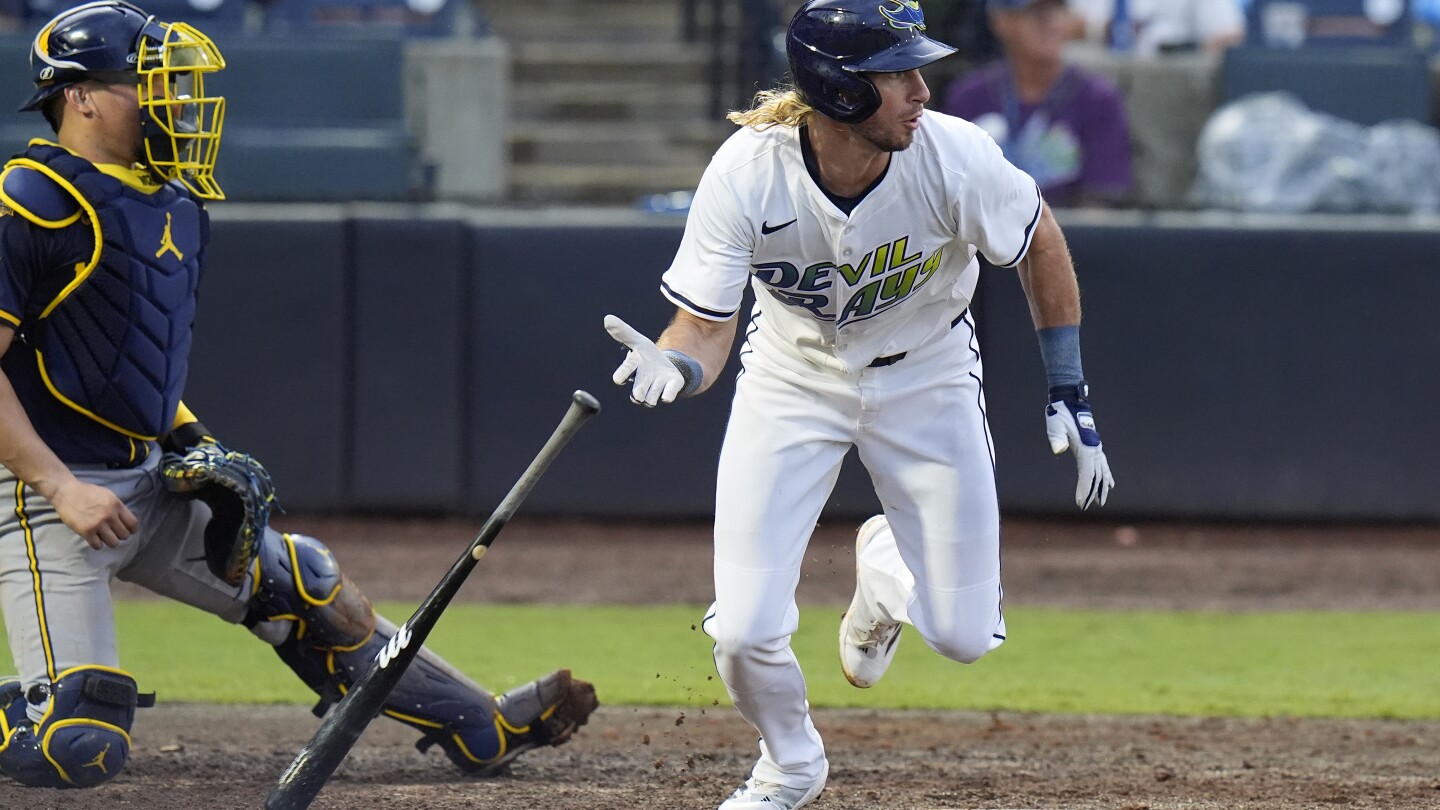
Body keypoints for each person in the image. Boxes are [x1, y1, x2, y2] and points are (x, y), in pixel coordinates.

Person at [0, 0, 595, 789]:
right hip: (40, 495)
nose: (175, 100)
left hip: (140, 481)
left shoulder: (171, 202)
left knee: (307, 586)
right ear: (80, 96)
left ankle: (480, 727)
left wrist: (192, 440)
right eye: (152, 83)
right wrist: (61, 486)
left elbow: (124, 369)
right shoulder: (30, 198)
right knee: (79, 748)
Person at [603, 1, 1115, 807]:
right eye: (896, 74)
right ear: (840, 93)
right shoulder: (746, 171)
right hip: (791, 375)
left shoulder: (953, 154)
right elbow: (701, 330)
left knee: (963, 636)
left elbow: (1039, 236)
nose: (921, 88)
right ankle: (790, 764)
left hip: (929, 374)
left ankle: (884, 574)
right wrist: (676, 364)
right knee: (741, 631)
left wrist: (1067, 387)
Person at [943, 0, 1134, 208]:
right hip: (981, 234)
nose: (1051, 23)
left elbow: (1102, 205)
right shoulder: (969, 96)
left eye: (1058, 10)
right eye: (1036, 13)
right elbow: (949, 193)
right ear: (1000, 21)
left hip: (1071, 236)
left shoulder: (1098, 98)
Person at [1069, 0, 1245, 55]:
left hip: (1176, 88)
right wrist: (1101, 30)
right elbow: (1054, 20)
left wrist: (1190, 48)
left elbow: (1230, 35)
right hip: (1093, 90)